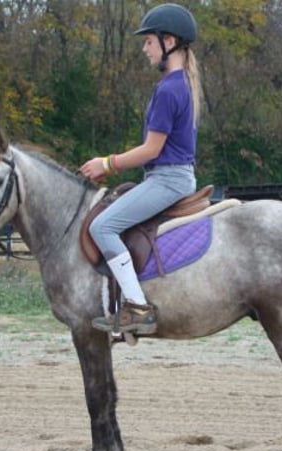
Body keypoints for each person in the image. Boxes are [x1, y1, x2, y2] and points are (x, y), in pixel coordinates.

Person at [80, 3, 202, 335]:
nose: (144, 48)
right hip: (168, 175)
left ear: (169, 41)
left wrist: (107, 162)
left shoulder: (168, 89)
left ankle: (137, 307)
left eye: (149, 41)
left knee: (102, 227)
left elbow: (152, 149)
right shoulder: (182, 84)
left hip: (168, 179)